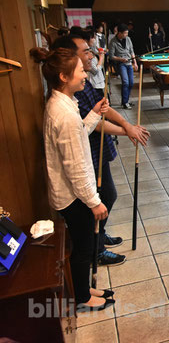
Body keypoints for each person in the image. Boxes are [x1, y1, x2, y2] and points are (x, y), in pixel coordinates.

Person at [53, 35, 150, 266]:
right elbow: (94, 124)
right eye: (85, 51)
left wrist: (126, 125)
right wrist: (127, 131)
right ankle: (96, 248)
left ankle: (99, 235)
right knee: (104, 197)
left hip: (95, 149)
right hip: (89, 152)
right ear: (70, 57)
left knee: (106, 195)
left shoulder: (82, 84)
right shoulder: (68, 97)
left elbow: (101, 109)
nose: (91, 55)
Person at [30, 46, 115, 312]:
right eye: (80, 71)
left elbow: (79, 133)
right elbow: (75, 168)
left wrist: (94, 113)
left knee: (83, 244)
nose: (85, 75)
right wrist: (94, 201)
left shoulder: (62, 103)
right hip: (73, 196)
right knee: (83, 247)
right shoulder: (64, 114)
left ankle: (83, 288)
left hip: (72, 193)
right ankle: (82, 297)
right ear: (64, 77)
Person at [108, 23, 138, 109]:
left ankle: (126, 101)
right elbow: (111, 56)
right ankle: (125, 102)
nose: (126, 34)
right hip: (121, 64)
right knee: (125, 82)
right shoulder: (113, 41)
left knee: (131, 83)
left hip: (129, 63)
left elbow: (132, 51)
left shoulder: (128, 39)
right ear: (120, 33)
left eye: (127, 33)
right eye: (125, 33)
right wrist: (121, 59)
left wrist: (135, 63)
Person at [82, 31, 106, 96]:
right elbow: (95, 70)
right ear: (86, 40)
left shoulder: (91, 50)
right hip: (94, 84)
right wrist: (101, 59)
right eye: (93, 38)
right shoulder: (87, 53)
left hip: (98, 82)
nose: (94, 40)